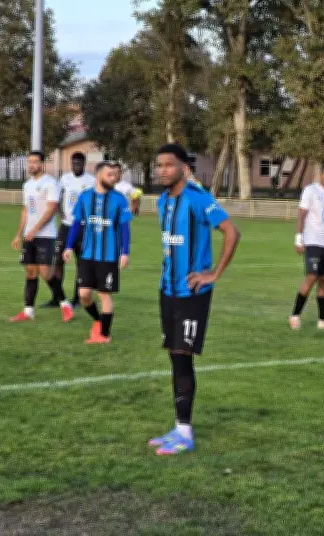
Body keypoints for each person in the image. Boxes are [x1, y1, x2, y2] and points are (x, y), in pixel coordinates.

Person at [148, 143, 241, 456]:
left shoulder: (198, 199)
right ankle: (178, 426)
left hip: (192, 292)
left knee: (182, 355)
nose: (162, 170)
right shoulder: (162, 201)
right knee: (175, 358)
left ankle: (185, 432)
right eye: (158, 165)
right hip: (167, 290)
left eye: (168, 165)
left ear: (183, 167)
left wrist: (213, 273)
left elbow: (232, 232)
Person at [63, 162, 133, 344]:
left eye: (115, 175)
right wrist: (69, 246)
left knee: (104, 295)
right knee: (84, 294)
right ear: (99, 175)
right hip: (87, 255)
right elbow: (77, 223)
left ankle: (104, 335)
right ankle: (97, 320)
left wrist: (125, 252)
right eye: (109, 175)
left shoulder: (119, 199)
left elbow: (125, 227)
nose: (114, 178)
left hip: (109, 256)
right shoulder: (85, 197)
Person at [9, 151, 74, 323]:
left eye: (35, 162)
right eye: (29, 162)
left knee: (46, 273)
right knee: (30, 272)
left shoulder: (51, 183)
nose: (31, 165)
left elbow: (51, 209)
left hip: (46, 235)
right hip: (28, 235)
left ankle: (65, 304)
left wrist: (36, 229)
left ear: (42, 164)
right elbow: (25, 210)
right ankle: (28, 311)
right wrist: (18, 234)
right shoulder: (27, 185)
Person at [289, 164, 324, 330]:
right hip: (312, 241)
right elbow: (301, 214)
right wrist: (299, 238)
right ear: (321, 175)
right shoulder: (310, 190)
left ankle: (323, 320)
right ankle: (294, 315)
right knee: (311, 277)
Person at [42, 152, 95, 309]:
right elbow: (57, 198)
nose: (76, 166)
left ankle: (78, 299)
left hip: (83, 228)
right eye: (74, 163)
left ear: (84, 164)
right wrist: (61, 213)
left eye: (79, 163)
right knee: (57, 261)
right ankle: (57, 297)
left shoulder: (91, 181)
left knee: (81, 263)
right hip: (65, 226)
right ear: (71, 163)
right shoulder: (64, 179)